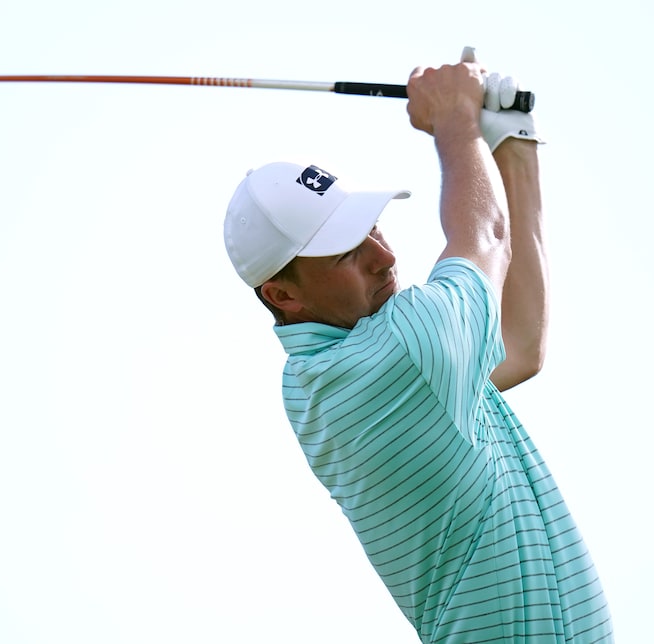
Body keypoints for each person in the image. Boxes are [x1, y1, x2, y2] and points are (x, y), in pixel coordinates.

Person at [223, 51, 613, 642]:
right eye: (349, 253)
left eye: (372, 228)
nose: (385, 256)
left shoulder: (356, 368)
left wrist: (512, 137)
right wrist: (455, 122)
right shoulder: (396, 358)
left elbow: (520, 344)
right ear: (285, 295)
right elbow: (484, 235)